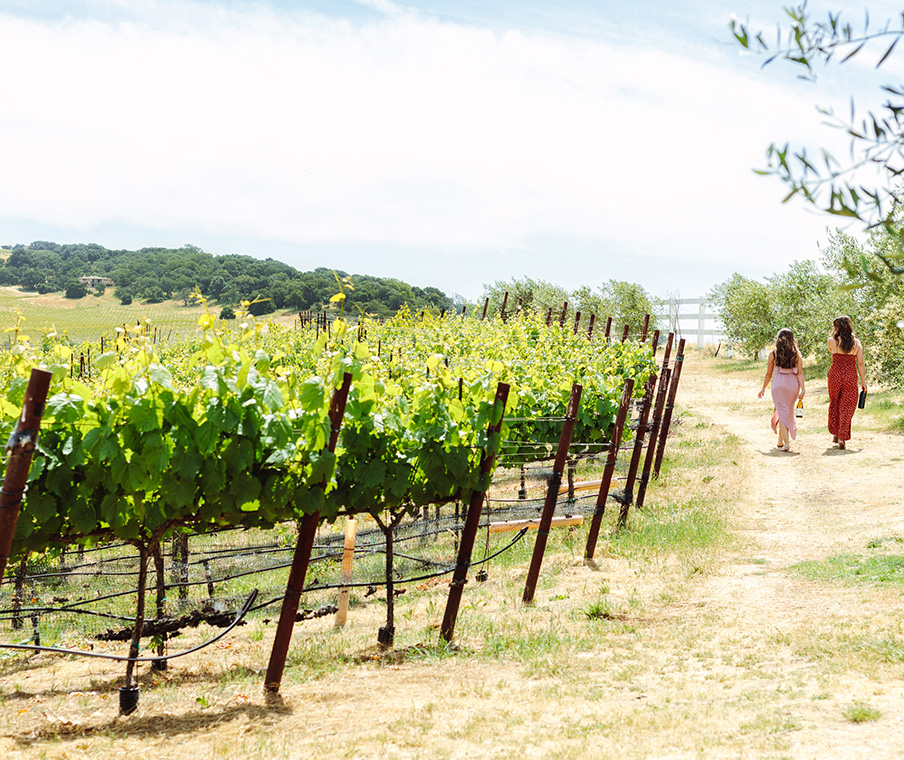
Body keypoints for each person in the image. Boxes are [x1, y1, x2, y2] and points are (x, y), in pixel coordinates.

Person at [758, 328, 805, 451]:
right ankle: (780, 440)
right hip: (792, 385)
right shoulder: (797, 354)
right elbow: (800, 373)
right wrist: (803, 389)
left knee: (782, 412)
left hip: (778, 385)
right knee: (785, 411)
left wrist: (763, 388)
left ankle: (786, 443)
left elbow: (768, 374)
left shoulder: (773, 353)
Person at [827, 315, 867, 450]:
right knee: (848, 405)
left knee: (835, 402)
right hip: (850, 374)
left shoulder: (831, 341)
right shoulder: (857, 343)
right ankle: (842, 437)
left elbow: (832, 351)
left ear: (837, 328)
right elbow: (860, 364)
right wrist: (864, 381)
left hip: (835, 374)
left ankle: (836, 433)